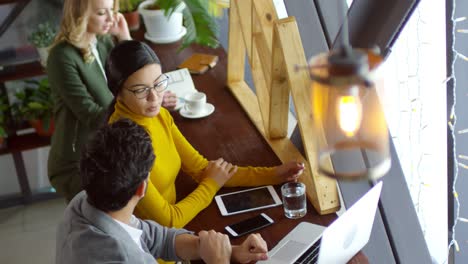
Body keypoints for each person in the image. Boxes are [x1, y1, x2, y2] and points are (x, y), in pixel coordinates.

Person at [105, 40, 306, 228]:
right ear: (118, 92)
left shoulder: (159, 116)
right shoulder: (121, 148)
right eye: (141, 90)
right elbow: (170, 220)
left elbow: (202, 169)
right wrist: (211, 185)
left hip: (174, 233)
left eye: (158, 84)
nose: (154, 97)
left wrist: (273, 174)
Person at [56, 118, 269, 264]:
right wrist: (219, 261)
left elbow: (153, 237)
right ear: (142, 188)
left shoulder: (83, 202)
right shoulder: (127, 258)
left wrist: (227, 250)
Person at [47, 0, 177, 202]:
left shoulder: (102, 40)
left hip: (109, 146)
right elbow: (91, 115)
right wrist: (144, 98)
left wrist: (124, 37)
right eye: (101, 13)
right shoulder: (61, 57)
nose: (112, 18)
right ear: (79, 16)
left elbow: (129, 76)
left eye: (112, 10)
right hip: (80, 161)